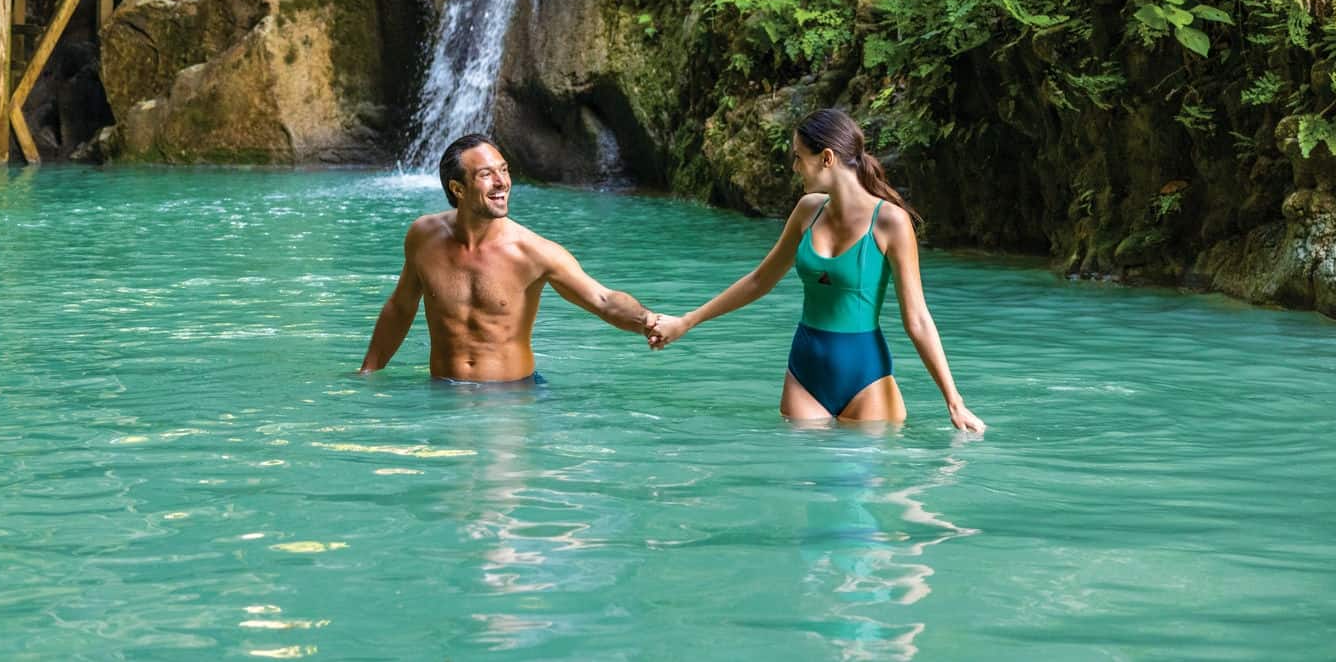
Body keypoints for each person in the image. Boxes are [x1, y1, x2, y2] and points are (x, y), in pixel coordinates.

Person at [647, 109, 985, 432]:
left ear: (826, 158)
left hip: (866, 377)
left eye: (798, 157)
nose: (794, 167)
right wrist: (687, 321)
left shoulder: (891, 222)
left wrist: (954, 402)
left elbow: (918, 320)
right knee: (806, 483)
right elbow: (759, 281)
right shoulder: (807, 210)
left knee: (861, 488)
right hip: (805, 373)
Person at [358, 134, 669, 382]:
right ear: (458, 188)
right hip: (442, 392)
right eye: (486, 174)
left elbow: (601, 299)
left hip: (511, 398)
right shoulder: (423, 237)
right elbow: (400, 307)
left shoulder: (533, 252)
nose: (502, 182)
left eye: (504, 170)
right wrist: (367, 374)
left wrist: (647, 321)